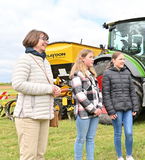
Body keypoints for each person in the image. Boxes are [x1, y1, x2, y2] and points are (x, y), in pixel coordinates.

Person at [12, 29, 61, 160]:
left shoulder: (46, 62)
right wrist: (48, 89)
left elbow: (46, 86)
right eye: (43, 39)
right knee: (29, 156)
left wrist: (54, 90)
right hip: (28, 115)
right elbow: (18, 84)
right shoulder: (25, 59)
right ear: (33, 39)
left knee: (40, 155)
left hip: (44, 114)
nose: (46, 42)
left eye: (47, 39)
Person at [102, 52, 139, 160]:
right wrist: (111, 111)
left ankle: (129, 155)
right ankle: (119, 156)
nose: (123, 61)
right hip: (116, 109)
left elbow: (132, 91)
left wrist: (135, 107)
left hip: (128, 108)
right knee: (118, 133)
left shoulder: (127, 73)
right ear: (113, 60)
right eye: (120, 59)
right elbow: (106, 94)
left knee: (129, 132)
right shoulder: (107, 74)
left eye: (124, 59)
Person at [70, 49, 103, 160]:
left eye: (93, 57)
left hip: (95, 113)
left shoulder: (92, 75)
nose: (93, 59)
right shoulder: (76, 75)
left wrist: (99, 107)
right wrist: (93, 109)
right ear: (82, 58)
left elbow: (98, 93)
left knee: (91, 138)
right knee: (81, 139)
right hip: (83, 113)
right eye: (90, 57)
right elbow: (80, 95)